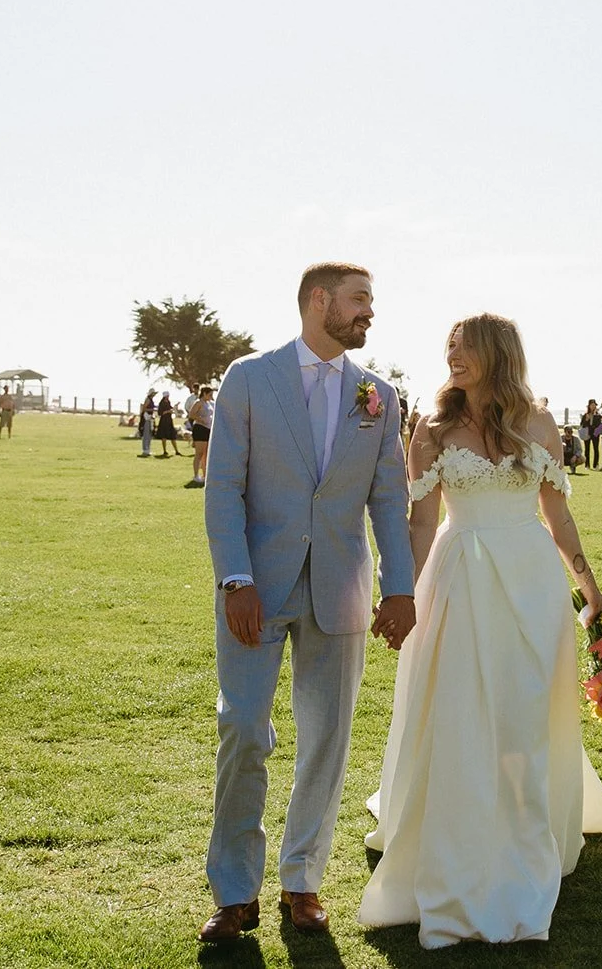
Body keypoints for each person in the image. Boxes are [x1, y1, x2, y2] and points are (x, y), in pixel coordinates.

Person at [359, 312, 602, 949]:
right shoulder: (430, 428)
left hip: (532, 583)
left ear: (497, 353)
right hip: (459, 577)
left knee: (523, 709)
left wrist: (589, 589)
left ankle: (525, 823)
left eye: (464, 348)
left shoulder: (539, 423)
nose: (452, 357)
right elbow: (420, 522)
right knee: (460, 708)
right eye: (449, 348)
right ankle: (460, 835)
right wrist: (400, 590)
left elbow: (558, 516)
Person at [199, 262, 415, 943]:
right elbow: (223, 486)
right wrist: (235, 578)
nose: (369, 313)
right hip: (255, 589)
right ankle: (235, 892)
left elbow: (389, 500)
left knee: (328, 741)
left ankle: (303, 881)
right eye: (359, 300)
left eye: (371, 303)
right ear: (317, 301)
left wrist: (399, 586)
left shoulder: (379, 395)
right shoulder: (249, 377)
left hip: (341, 589)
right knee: (243, 730)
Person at [187, 387, 215, 488]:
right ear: (204, 393)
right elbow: (191, 414)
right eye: (209, 394)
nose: (211, 397)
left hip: (207, 429)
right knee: (199, 453)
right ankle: (195, 475)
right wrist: (201, 419)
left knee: (206, 453)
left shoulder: (210, 403)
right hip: (200, 428)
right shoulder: (199, 403)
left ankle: (205, 475)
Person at [155, 392, 181, 457]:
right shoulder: (161, 403)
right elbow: (160, 413)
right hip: (164, 421)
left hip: (169, 420)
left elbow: (171, 409)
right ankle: (164, 451)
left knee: (172, 436)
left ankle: (176, 451)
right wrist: (167, 411)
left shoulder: (168, 402)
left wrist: (175, 407)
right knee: (164, 436)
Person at [579, 399, 601, 470]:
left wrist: (597, 432)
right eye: (592, 405)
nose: (593, 406)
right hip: (587, 434)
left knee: (596, 449)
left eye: (594, 405)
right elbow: (582, 425)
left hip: (595, 434)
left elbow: (600, 426)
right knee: (587, 450)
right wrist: (586, 420)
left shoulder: (598, 415)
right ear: (589, 406)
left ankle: (595, 465)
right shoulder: (585, 415)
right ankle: (587, 465)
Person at [138, 389, 156, 457]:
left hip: (150, 417)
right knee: (146, 434)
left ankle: (148, 449)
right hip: (146, 418)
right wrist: (152, 410)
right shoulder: (148, 399)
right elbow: (144, 409)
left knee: (149, 434)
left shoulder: (150, 399)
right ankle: (145, 450)